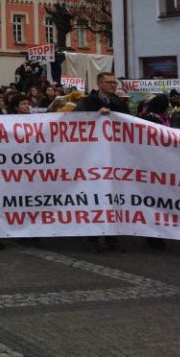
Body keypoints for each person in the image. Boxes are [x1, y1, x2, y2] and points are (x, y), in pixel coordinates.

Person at [75, 71, 128, 253]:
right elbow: (76, 120)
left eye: (114, 83)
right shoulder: (87, 103)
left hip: (113, 157)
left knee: (112, 197)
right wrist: (96, 115)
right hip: (93, 159)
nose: (113, 86)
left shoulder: (119, 103)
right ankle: (92, 237)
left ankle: (111, 236)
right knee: (95, 197)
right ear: (99, 84)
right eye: (109, 83)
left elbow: (129, 124)